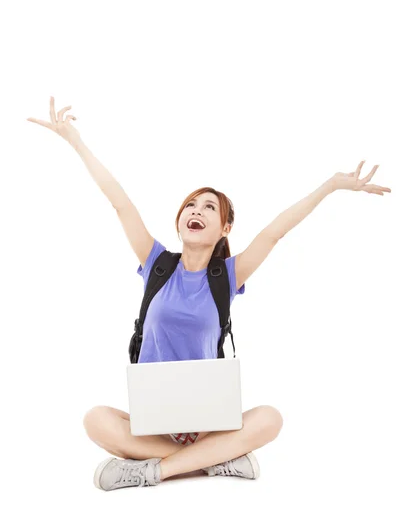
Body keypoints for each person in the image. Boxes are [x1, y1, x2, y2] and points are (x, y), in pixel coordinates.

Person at [27, 97, 391, 491]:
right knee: (95, 419)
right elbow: (119, 201)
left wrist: (331, 186)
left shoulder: (227, 277)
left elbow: (275, 232)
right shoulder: (157, 264)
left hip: (207, 426)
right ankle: (216, 462)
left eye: (209, 207)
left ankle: (154, 471)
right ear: (181, 219)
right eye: (190, 204)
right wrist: (75, 141)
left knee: (270, 418)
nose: (196, 210)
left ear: (224, 228)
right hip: (155, 423)